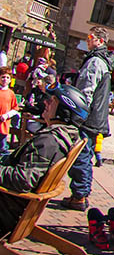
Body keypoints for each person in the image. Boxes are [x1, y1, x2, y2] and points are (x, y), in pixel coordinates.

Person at [0, 84, 85, 238]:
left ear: (63, 112)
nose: (46, 103)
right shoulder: (60, 138)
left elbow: (23, 179)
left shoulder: (49, 141)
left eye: (52, 101)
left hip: (6, 211)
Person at [64, 26, 114, 211]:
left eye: (90, 37)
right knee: (85, 155)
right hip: (96, 118)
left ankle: (79, 195)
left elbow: (86, 91)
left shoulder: (95, 61)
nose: (87, 40)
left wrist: (77, 114)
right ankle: (80, 193)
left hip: (88, 118)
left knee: (81, 156)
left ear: (99, 41)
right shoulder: (104, 61)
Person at [0, 66, 19, 157]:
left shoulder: (11, 93)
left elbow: (15, 108)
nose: (5, 79)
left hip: (3, 124)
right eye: (3, 77)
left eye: (7, 77)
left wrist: (6, 115)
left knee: (3, 147)